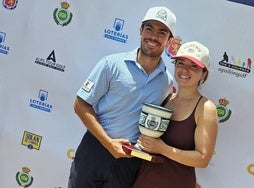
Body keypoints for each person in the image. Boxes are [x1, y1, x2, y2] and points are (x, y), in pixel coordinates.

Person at [67, 6, 177, 188]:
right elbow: (80, 104)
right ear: (140, 30)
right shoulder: (111, 64)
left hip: (129, 160)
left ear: (169, 40)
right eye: (149, 28)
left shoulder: (166, 82)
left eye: (162, 32)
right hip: (94, 150)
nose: (153, 37)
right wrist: (108, 143)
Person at [133, 41, 218, 188]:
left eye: (193, 66)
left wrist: (163, 149)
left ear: (203, 74)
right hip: (144, 180)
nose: (185, 70)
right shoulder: (166, 97)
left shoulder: (205, 108)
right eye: (180, 63)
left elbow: (203, 159)